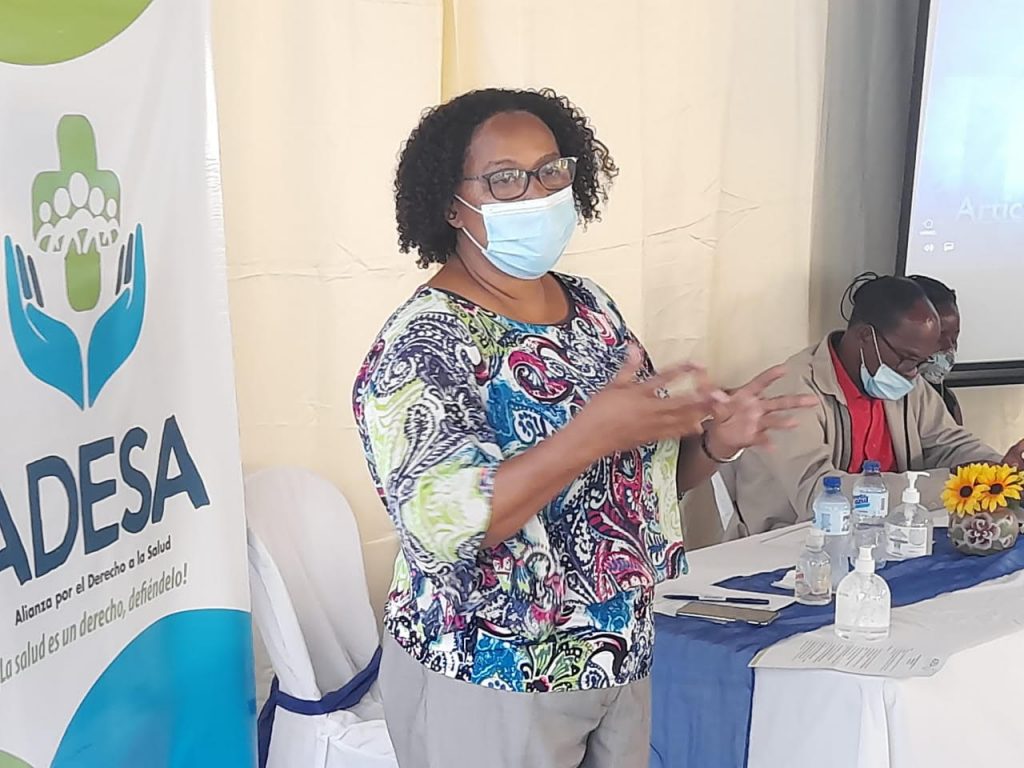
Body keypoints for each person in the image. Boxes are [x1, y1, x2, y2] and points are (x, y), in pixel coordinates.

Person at [352, 88, 812, 768]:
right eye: (504, 179)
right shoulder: (425, 343)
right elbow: (444, 525)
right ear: (450, 205)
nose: (536, 193)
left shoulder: (591, 309)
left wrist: (717, 442)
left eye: (551, 171)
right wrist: (591, 433)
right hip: (492, 671)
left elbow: (637, 487)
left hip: (616, 654)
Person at [732, 274, 1024, 535]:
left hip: (879, 538)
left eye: (920, 362)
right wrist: (956, 483)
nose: (913, 373)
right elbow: (817, 496)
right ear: (865, 336)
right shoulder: (792, 391)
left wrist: (1001, 471)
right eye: (907, 359)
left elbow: (949, 443)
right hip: (788, 548)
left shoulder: (903, 377)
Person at [909, 274, 963, 425]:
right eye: (939, 337)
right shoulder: (885, 396)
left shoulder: (947, 400)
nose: (949, 347)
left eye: (954, 337)